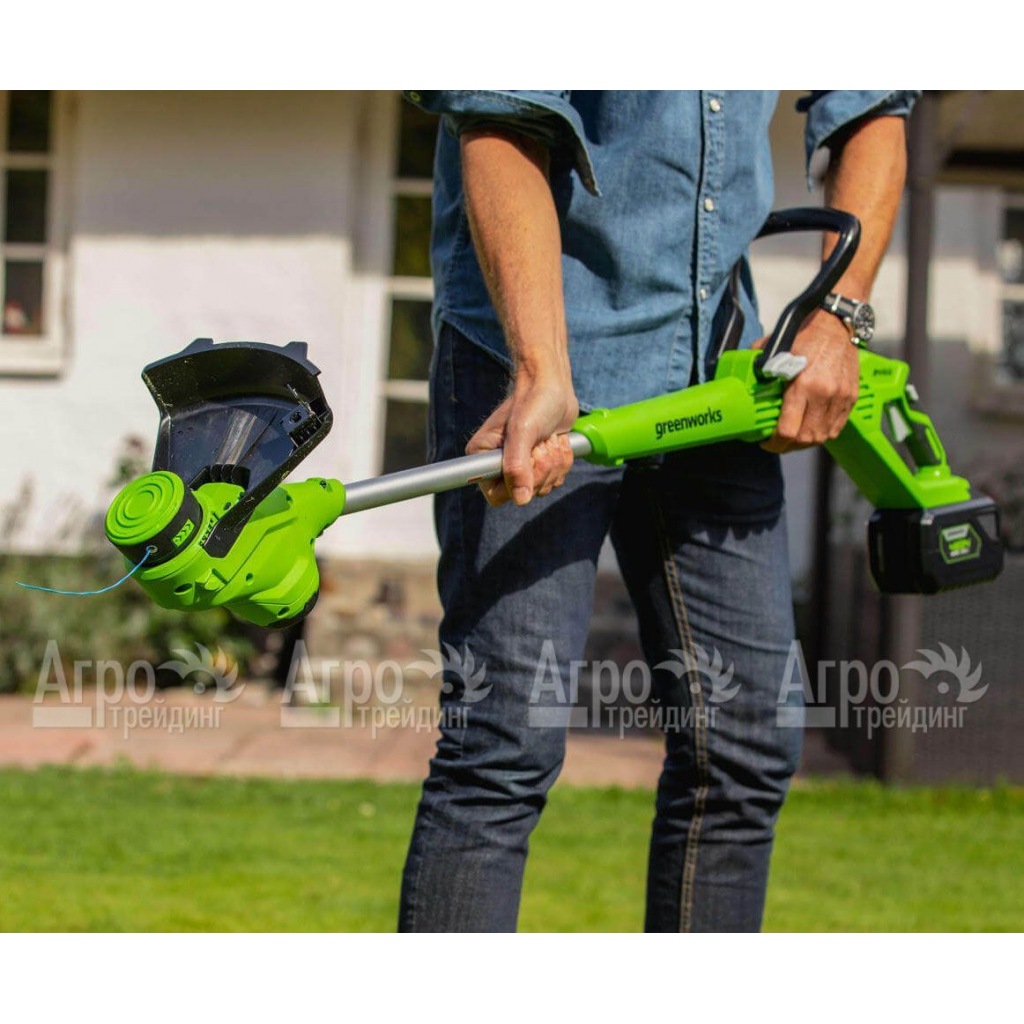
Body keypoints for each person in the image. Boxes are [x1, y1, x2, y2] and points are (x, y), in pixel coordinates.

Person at [399, 90, 915, 932]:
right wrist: (540, 368)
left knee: (745, 745)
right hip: (540, 364)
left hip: (720, 372)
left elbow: (871, 106)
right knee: (502, 746)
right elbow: (502, 114)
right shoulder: (537, 365)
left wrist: (836, 316)